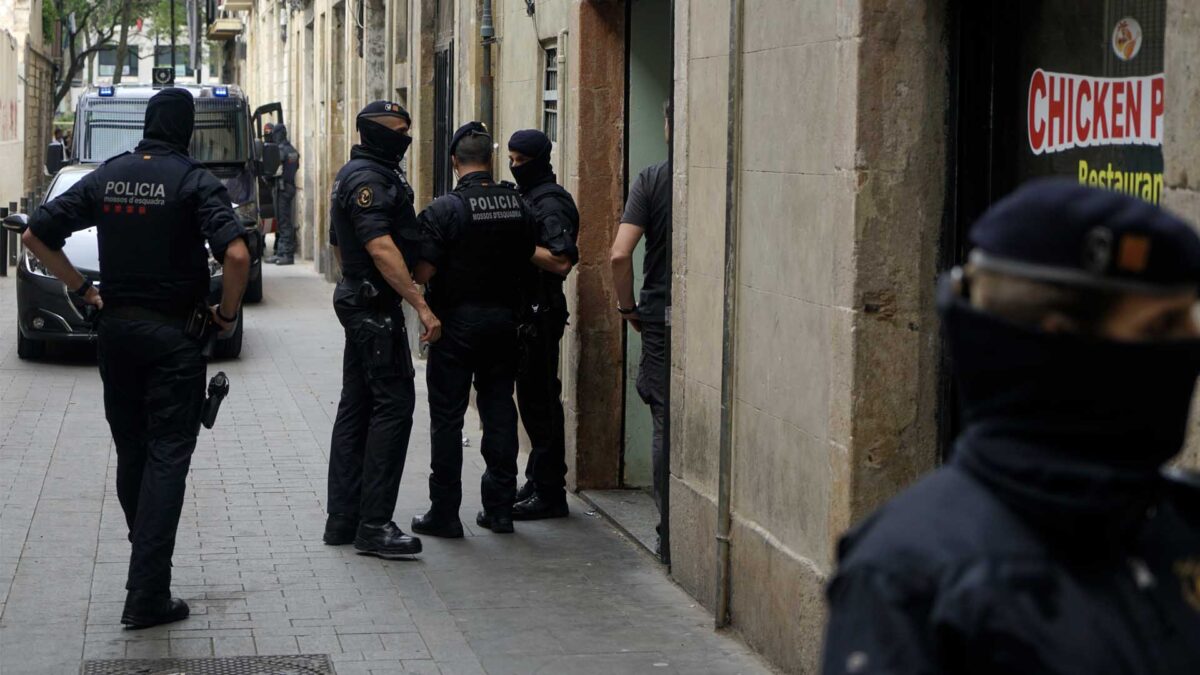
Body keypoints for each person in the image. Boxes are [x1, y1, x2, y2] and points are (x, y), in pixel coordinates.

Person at [821, 179, 1200, 675]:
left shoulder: (1180, 523)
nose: (1188, 344)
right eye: (1161, 327)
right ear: (1064, 349)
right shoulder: (911, 579)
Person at [21, 88, 251, 629]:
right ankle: (147, 592)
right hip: (174, 340)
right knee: (169, 456)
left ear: (145, 125)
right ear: (186, 130)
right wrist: (227, 314)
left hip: (117, 334)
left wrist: (82, 288)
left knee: (132, 451)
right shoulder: (196, 180)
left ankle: (145, 557)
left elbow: (34, 234)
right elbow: (236, 254)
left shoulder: (107, 175)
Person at [410, 122, 561, 538]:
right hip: (504, 324)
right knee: (499, 413)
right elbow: (532, 254)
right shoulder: (519, 205)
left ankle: (444, 511)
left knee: (447, 419)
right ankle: (499, 509)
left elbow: (422, 270)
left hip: (455, 327)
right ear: (491, 161)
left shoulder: (444, 210)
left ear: (455, 162)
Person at [324, 101, 441, 560]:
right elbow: (379, 246)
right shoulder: (370, 178)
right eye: (398, 129)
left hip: (362, 301)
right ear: (375, 132)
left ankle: (344, 518)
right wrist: (421, 306)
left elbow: (339, 244)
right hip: (374, 307)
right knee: (393, 406)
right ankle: (373, 524)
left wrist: (354, 288)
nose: (406, 135)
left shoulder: (362, 171)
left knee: (357, 406)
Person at [506, 129, 579, 520]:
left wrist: (518, 246)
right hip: (528, 313)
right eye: (511, 160)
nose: (514, 167)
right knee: (533, 403)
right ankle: (538, 478)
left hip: (542, 314)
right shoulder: (532, 196)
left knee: (541, 404)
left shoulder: (551, 203)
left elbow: (561, 260)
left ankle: (550, 491)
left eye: (520, 161)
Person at [610, 103, 672, 531]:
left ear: (668, 124)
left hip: (658, 315)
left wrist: (626, 306)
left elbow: (619, 253)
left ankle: (668, 523)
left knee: (664, 420)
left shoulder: (652, 179)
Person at [266, 123, 300, 265]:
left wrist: (267, 178)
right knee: (283, 220)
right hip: (289, 186)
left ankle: (286, 254)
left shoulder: (280, 150)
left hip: (281, 188)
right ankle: (281, 252)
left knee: (283, 221)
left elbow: (272, 168)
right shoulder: (292, 150)